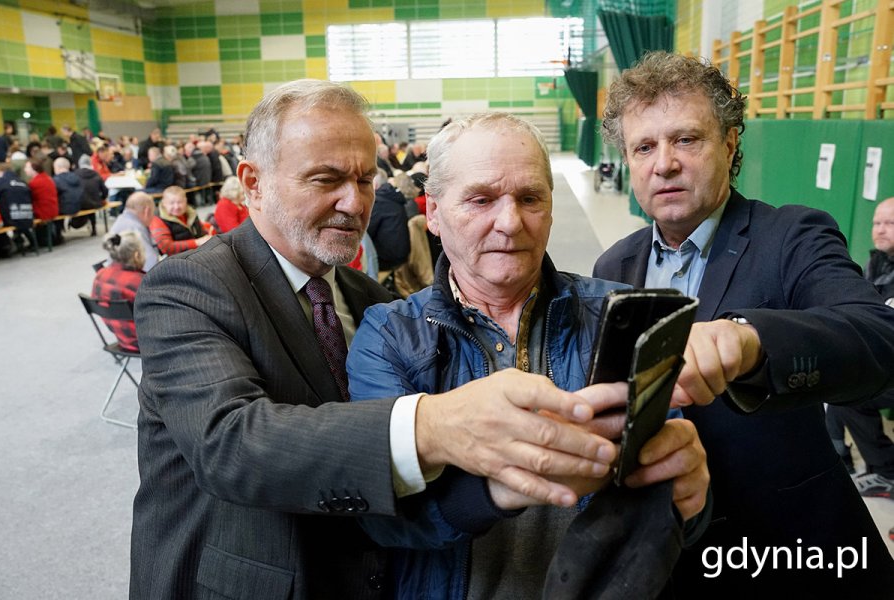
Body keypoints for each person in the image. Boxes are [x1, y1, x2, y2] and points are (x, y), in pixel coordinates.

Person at [131, 79, 630, 599]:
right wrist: (437, 424)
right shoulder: (187, 286)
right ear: (253, 182)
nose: (354, 202)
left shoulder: (367, 297)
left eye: (366, 179)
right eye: (326, 179)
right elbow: (229, 444)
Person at [347, 112, 716, 599]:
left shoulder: (618, 314)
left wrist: (690, 501)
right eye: (481, 200)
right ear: (433, 212)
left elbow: (670, 504)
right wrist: (507, 485)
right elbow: (382, 518)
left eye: (530, 198)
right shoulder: (389, 334)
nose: (510, 222)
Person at [592, 51, 894, 596]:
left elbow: (879, 339)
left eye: (686, 139)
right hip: (666, 556)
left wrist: (751, 341)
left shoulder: (793, 237)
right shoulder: (613, 266)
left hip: (788, 550)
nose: (664, 163)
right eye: (644, 146)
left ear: (730, 144)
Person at [826, 196, 894, 498]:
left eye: (889, 223)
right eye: (876, 223)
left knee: (852, 394)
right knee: (837, 377)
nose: (879, 230)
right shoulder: (877, 262)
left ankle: (888, 472)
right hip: (885, 356)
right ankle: (839, 457)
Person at [91, 230, 146, 352]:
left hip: (123, 341)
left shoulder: (99, 275)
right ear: (137, 255)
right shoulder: (140, 283)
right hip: (150, 344)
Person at [148, 185, 211, 256]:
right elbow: (167, 248)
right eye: (172, 203)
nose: (176, 207)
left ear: (185, 201)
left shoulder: (191, 212)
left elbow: (201, 229)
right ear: (164, 203)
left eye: (180, 202)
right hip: (177, 259)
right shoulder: (157, 219)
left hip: (197, 252)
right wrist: (196, 242)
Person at [367, 172, 410, 274]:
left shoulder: (379, 202)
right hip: (402, 253)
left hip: (388, 259)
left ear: (375, 185)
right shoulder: (393, 196)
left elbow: (367, 232)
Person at [108, 191, 158, 271]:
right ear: (147, 211)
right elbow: (151, 263)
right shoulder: (135, 228)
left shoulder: (120, 220)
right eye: (153, 213)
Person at [23, 157, 60, 245]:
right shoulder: (47, 178)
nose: (25, 170)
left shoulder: (34, 183)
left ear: (34, 169)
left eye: (27, 167)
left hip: (43, 212)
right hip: (53, 209)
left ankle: (33, 242)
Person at [74, 155, 108, 235]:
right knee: (91, 199)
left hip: (80, 203)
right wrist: (102, 198)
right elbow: (105, 190)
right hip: (95, 203)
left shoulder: (75, 174)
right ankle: (93, 228)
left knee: (86, 199)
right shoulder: (96, 174)